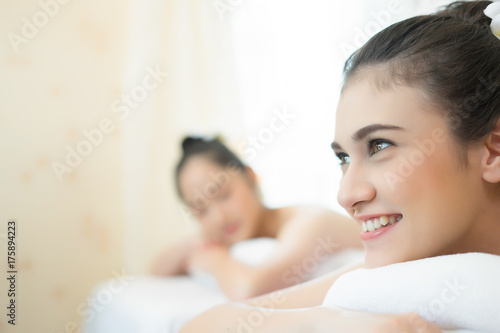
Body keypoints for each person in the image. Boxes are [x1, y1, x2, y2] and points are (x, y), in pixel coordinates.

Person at [179, 1, 500, 331]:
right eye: (343, 158)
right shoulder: (403, 267)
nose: (345, 195)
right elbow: (203, 325)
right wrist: (329, 321)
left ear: (493, 150)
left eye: (379, 145)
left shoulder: (317, 225)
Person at [151, 136, 363, 300]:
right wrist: (196, 243)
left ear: (250, 176)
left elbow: (251, 290)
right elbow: (157, 270)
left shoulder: (310, 222)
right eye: (201, 210)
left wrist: (215, 259)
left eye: (224, 195)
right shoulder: (230, 235)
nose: (219, 217)